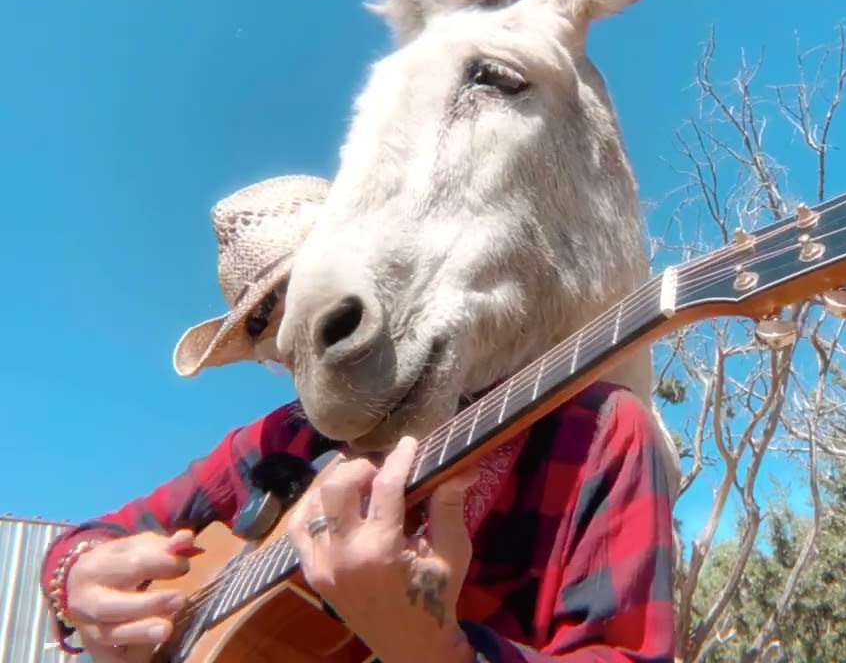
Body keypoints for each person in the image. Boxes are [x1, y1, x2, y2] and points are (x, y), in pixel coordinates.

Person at [41, 174, 677, 663]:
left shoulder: (596, 432)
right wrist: (76, 580)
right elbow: (96, 537)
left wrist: (435, 652)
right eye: (281, 346)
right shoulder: (276, 439)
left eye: (329, 317)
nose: (314, 361)